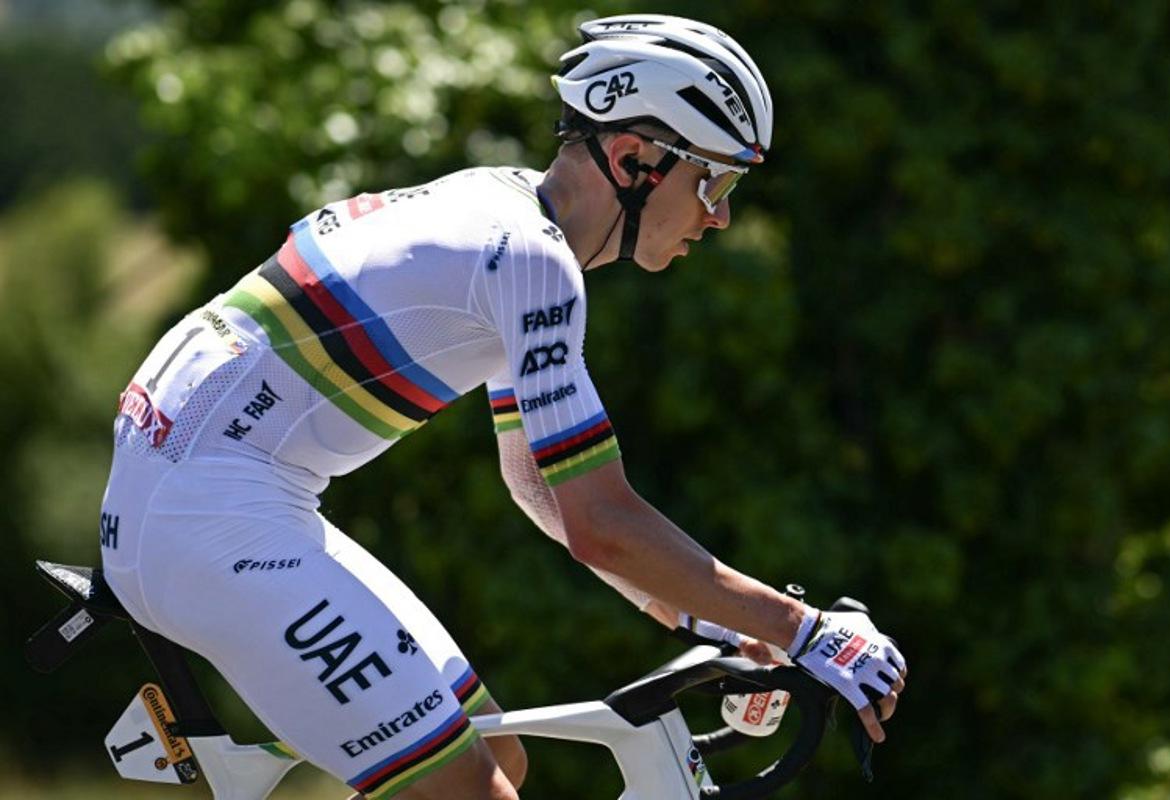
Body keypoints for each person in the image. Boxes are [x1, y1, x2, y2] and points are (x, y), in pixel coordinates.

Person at [98, 13, 907, 800]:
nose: (721, 214)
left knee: (497, 757)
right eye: (714, 181)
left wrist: (723, 622)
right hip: (210, 515)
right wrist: (803, 629)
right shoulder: (531, 261)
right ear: (634, 159)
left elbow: (537, 486)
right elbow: (600, 522)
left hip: (210, 495)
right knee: (469, 789)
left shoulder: (504, 211)